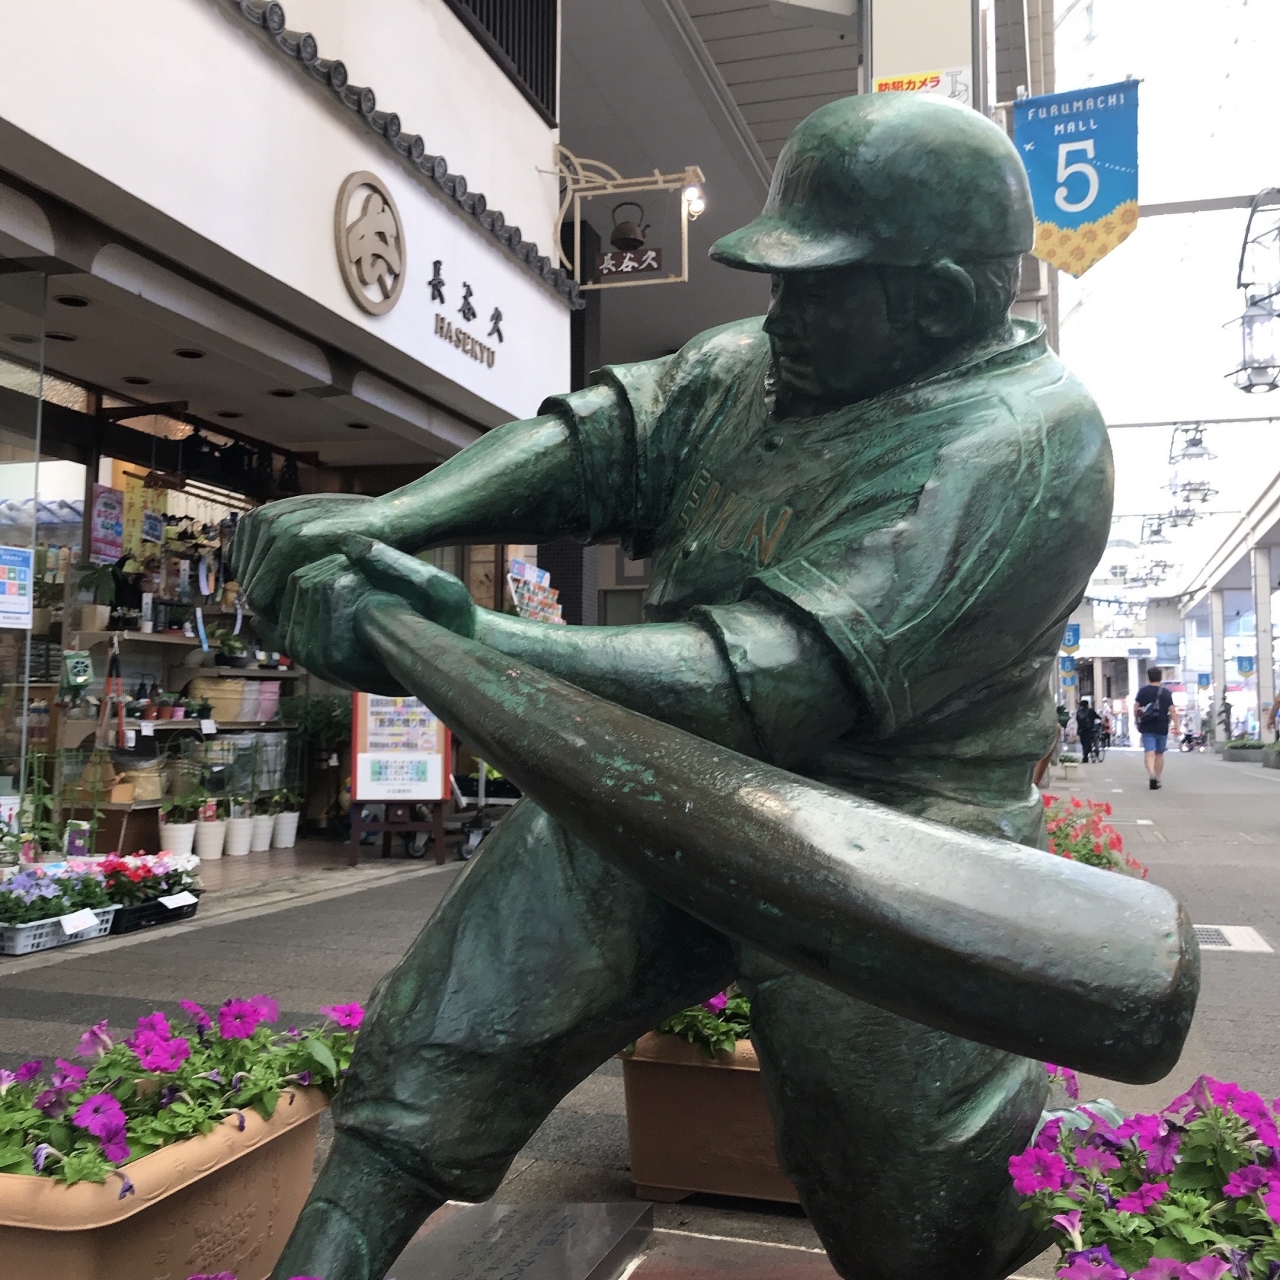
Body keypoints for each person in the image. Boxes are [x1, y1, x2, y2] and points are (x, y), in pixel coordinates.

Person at [234, 94, 1113, 1280]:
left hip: (893, 828)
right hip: (669, 768)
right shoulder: (755, 366)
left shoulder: (1027, 440)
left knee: (911, 1201)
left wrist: (471, 640)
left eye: (817, 285)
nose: (778, 310)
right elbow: (603, 436)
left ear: (940, 302)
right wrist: (388, 517)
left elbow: (773, 678)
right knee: (447, 1030)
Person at [1133, 667, 1179, 790]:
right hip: (1162, 726)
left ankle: (1152, 775)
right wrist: (1177, 727)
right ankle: (1158, 778)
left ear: (1149, 677)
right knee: (1159, 753)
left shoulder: (1143, 691)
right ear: (1161, 677)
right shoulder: (1166, 692)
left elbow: (1136, 708)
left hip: (1147, 725)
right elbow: (1172, 711)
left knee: (1149, 752)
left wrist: (1137, 721)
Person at [1076, 697, 1100, 762]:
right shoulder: (1090, 711)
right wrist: (1100, 718)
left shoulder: (1078, 712)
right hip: (1089, 729)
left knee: (1084, 743)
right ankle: (1087, 754)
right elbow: (1097, 716)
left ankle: (1085, 757)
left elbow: (1077, 720)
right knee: (1088, 742)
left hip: (1081, 730)